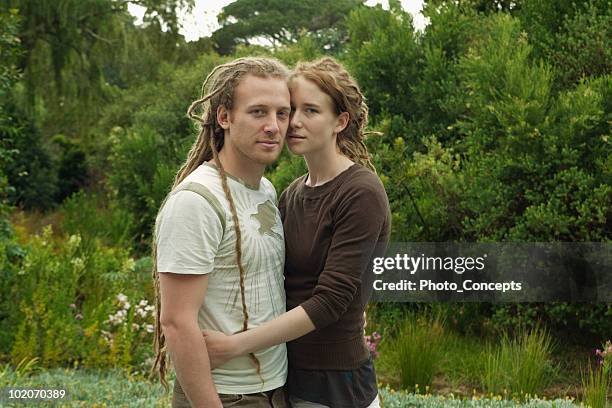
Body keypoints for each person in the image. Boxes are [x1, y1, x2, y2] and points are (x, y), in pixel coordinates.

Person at [203, 57, 391, 408]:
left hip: (336, 384)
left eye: (311, 111)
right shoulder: (290, 193)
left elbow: (331, 301)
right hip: (286, 377)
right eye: (292, 110)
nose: (294, 123)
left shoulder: (360, 192)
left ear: (341, 121)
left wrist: (235, 345)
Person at [151, 57, 292, 408]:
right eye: (258, 112)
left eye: (282, 113)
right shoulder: (197, 201)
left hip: (277, 390)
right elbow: (177, 322)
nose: (273, 126)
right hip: (227, 396)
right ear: (225, 117)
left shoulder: (267, 191)